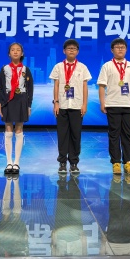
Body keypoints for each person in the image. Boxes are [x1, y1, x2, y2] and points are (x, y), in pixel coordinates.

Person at [98, 38, 130, 175]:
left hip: (128, 105)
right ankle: (116, 162)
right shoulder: (107, 66)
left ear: (126, 49)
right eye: (117, 47)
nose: (120, 49)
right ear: (112, 50)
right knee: (114, 134)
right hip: (112, 104)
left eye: (122, 47)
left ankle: (128, 162)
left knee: (127, 135)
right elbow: (102, 86)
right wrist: (102, 103)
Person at [50, 39, 92, 175]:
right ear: (64, 51)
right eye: (69, 48)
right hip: (62, 105)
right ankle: (62, 162)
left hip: (77, 106)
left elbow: (85, 87)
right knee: (62, 135)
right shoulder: (58, 67)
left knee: (76, 135)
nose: (71, 50)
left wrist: (84, 104)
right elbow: (56, 85)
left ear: (77, 51)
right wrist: (56, 102)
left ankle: (74, 162)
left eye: (74, 48)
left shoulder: (82, 67)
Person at [0, 43, 34, 176]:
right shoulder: (4, 69)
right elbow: (0, 87)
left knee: (19, 129)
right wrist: (1, 103)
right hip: (8, 100)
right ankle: (8, 162)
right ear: (9, 53)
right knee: (8, 129)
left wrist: (29, 105)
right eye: (12, 50)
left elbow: (30, 88)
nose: (15, 52)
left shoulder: (25, 69)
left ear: (22, 53)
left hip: (21, 100)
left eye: (18, 50)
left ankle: (16, 162)